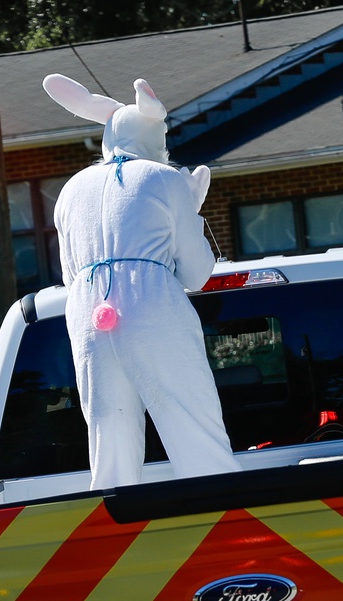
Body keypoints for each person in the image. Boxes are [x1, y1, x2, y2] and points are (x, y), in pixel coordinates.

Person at [43, 74, 240, 489]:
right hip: (151, 304)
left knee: (108, 432)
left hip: (86, 313)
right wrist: (192, 207)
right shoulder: (164, 178)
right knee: (191, 418)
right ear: (153, 136)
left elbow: (67, 275)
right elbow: (197, 274)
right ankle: (221, 508)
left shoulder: (69, 190)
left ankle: (114, 524)